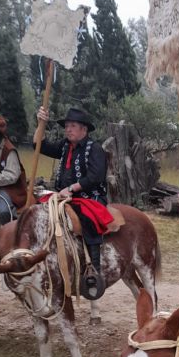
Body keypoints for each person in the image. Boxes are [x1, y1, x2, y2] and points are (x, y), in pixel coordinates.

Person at [34, 106, 108, 299]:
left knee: (87, 217)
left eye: (72, 126)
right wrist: (41, 122)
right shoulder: (65, 146)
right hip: (62, 196)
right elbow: (39, 145)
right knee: (37, 211)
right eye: (66, 126)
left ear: (84, 129)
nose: (68, 129)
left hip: (89, 197)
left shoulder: (95, 149)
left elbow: (96, 176)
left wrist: (73, 188)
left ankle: (93, 270)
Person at [0, 113, 27, 224]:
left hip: (4, 189)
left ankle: (6, 236)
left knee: (3, 211)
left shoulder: (8, 149)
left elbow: (12, 176)